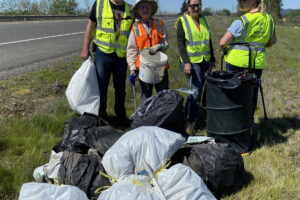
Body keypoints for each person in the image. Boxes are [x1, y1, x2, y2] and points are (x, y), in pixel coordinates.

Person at [219, 0, 277, 125]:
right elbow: (272, 41)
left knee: (234, 95)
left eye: (243, 0)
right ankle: (248, 123)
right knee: (252, 94)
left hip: (236, 62)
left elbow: (222, 42)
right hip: (256, 63)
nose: (240, 2)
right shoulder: (269, 19)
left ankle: (234, 124)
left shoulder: (242, 20)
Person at [81, 0, 133, 121]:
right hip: (103, 53)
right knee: (101, 87)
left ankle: (120, 116)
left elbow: (134, 32)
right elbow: (91, 25)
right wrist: (85, 47)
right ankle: (101, 117)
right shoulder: (100, 4)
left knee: (120, 88)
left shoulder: (131, 10)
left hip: (121, 55)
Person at [175, 0, 216, 131]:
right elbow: (180, 44)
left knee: (198, 90)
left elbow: (208, 41)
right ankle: (191, 122)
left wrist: (212, 59)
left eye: (198, 5)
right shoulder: (183, 21)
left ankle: (187, 116)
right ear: (188, 7)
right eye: (193, 5)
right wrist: (186, 62)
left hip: (205, 60)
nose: (196, 8)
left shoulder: (204, 20)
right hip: (191, 62)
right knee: (196, 91)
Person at [127, 0, 169, 102]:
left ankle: (164, 116)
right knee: (146, 98)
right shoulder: (135, 28)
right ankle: (146, 117)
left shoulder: (160, 24)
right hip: (144, 67)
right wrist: (132, 68)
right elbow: (131, 49)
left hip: (160, 66)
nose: (145, 9)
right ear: (138, 10)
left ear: (151, 9)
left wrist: (159, 46)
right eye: (142, 7)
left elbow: (166, 43)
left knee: (163, 95)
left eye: (147, 6)